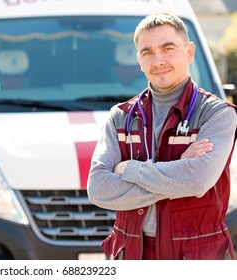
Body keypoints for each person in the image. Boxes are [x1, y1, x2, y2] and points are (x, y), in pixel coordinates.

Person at [87, 12, 237, 260]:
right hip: (132, 253)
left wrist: (128, 169)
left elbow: (198, 181)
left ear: (189, 52)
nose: (158, 60)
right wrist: (178, 170)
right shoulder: (120, 117)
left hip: (195, 256)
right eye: (147, 52)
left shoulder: (217, 114)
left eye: (168, 48)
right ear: (139, 60)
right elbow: (98, 189)